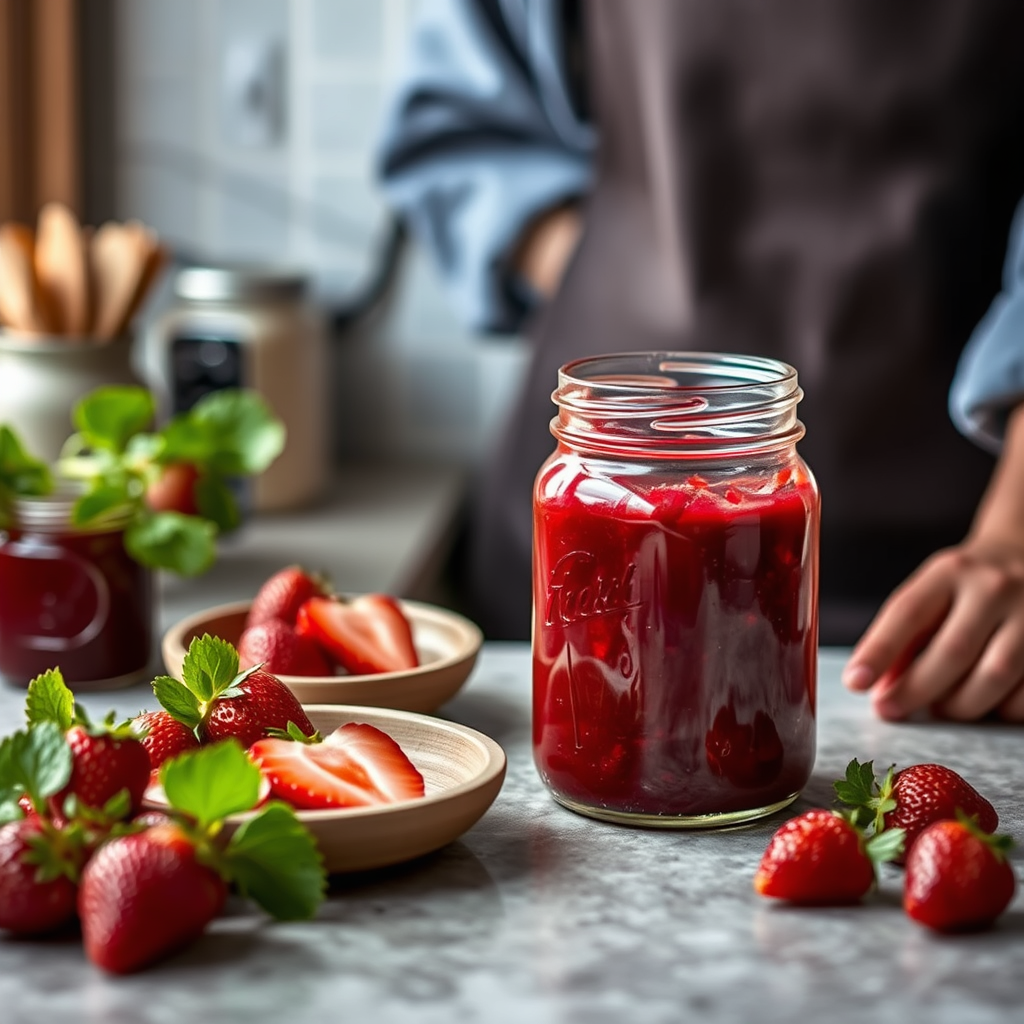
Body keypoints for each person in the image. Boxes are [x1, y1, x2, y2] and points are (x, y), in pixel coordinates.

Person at [375, 0, 1024, 721]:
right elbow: (461, 126)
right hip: (598, 508)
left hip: (943, 572)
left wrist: (1015, 533)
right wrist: (622, 341)